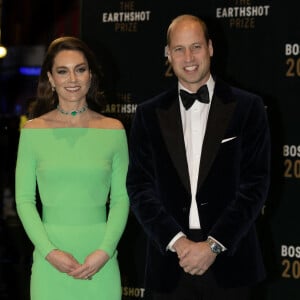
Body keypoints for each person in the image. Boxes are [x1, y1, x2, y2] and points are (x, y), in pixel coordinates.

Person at [126, 14, 270, 300]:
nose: (188, 57)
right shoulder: (147, 114)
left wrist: (213, 246)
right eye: (179, 49)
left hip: (232, 262)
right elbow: (140, 187)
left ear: (211, 48)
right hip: (170, 263)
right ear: (168, 54)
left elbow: (255, 185)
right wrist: (178, 243)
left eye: (196, 47)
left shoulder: (248, 107)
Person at [15, 36, 129, 300]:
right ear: (51, 79)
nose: (73, 79)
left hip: (101, 259)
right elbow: (24, 200)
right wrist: (50, 252)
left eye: (80, 69)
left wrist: (105, 251)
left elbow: (122, 199)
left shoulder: (113, 130)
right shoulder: (33, 132)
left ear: (90, 74)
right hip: (49, 260)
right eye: (62, 72)